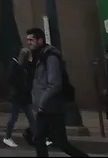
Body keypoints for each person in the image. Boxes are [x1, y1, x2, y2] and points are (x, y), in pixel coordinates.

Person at [27, 27, 90, 158]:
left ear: (40, 40)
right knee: (38, 139)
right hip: (43, 108)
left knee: (61, 142)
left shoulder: (50, 58)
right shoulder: (38, 57)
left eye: (31, 40)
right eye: (28, 40)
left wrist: (41, 102)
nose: (29, 43)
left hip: (53, 107)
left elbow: (55, 84)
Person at [0, 46, 35, 149]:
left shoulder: (26, 66)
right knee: (13, 118)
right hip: (17, 96)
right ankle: (7, 137)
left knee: (32, 118)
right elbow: (10, 79)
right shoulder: (14, 64)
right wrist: (21, 87)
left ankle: (39, 138)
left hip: (24, 96)